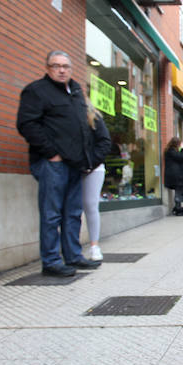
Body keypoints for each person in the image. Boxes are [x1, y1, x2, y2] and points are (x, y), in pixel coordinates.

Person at [16, 51, 101, 276]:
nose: (62, 70)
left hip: (75, 164)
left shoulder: (76, 91)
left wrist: (85, 159)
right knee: (51, 214)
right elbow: (26, 124)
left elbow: (83, 127)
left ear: (71, 69)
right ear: (47, 68)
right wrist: (51, 153)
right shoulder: (37, 91)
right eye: (56, 66)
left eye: (65, 66)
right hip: (52, 164)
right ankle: (51, 261)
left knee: (73, 213)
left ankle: (73, 256)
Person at [81, 91, 112, 261]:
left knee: (90, 205)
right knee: (72, 208)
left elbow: (104, 142)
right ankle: (72, 247)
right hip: (74, 167)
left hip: (94, 168)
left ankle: (94, 245)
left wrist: (90, 164)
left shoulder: (95, 118)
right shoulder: (68, 118)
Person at [164, 137, 183, 216]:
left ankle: (177, 208)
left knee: (180, 191)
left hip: (176, 175)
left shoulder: (171, 151)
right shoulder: (171, 151)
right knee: (179, 192)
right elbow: (180, 157)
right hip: (175, 175)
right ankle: (178, 209)